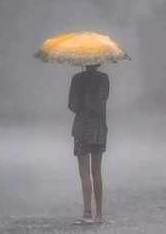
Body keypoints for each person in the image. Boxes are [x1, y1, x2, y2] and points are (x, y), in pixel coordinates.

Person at [68, 64, 109, 225]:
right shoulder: (104, 79)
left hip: (81, 128)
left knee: (84, 173)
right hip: (99, 127)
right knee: (97, 172)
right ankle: (99, 213)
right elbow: (103, 99)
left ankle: (87, 213)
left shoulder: (77, 79)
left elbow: (72, 105)